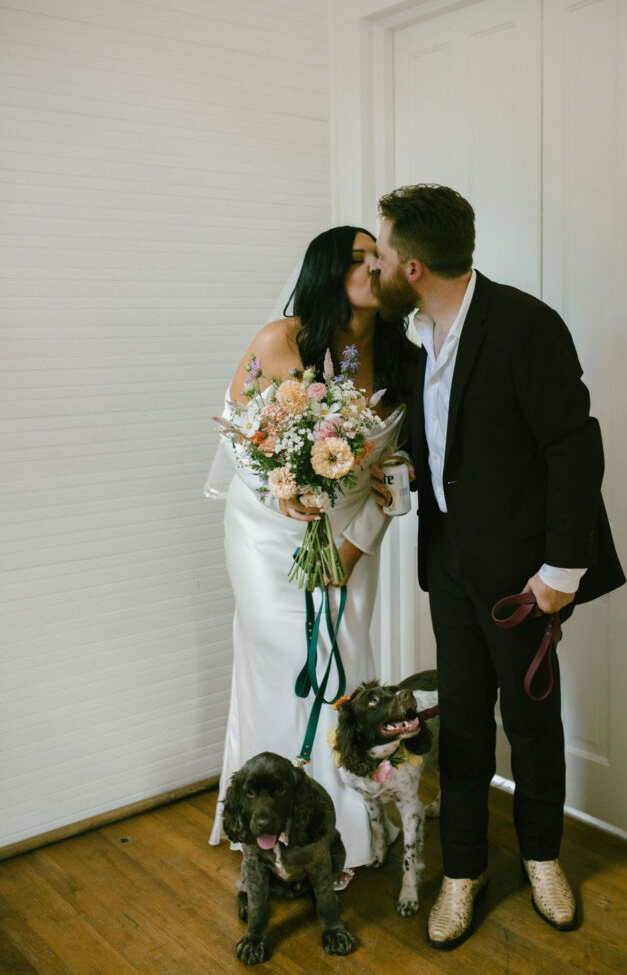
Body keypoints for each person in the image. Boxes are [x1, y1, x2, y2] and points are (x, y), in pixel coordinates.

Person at [369, 184, 625, 947]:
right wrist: (402, 473)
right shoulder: (413, 337)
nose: (376, 265)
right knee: (466, 730)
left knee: (532, 723)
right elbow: (449, 444)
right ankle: (464, 870)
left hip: (526, 577)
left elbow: (574, 452)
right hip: (448, 565)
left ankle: (543, 857)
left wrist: (560, 575)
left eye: (381, 253)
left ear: (412, 265)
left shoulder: (525, 325)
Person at [207, 226, 418, 886]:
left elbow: (398, 466)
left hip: (352, 526)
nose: (369, 266)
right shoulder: (281, 341)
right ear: (327, 269)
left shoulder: (401, 359)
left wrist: (355, 547)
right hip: (267, 531)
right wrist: (282, 487)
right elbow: (239, 429)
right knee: (289, 661)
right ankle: (269, 827)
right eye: (354, 257)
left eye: (374, 257)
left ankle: (344, 829)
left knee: (342, 667)